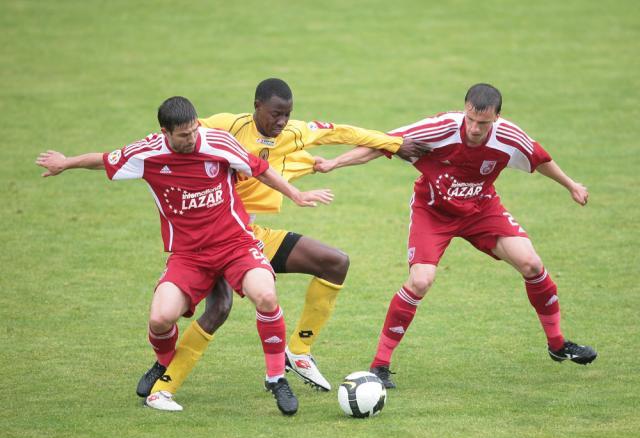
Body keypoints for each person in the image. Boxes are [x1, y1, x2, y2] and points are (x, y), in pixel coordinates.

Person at [136, 78, 430, 402]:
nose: (281, 122)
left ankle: (299, 350)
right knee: (218, 308)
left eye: (286, 115)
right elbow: (179, 133)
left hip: (251, 236)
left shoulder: (293, 136)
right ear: (256, 107)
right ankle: (164, 376)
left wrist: (393, 142)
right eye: (275, 114)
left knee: (335, 262)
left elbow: (342, 132)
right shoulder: (226, 127)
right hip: (211, 235)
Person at [36, 96, 334, 415]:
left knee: (265, 295)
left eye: (194, 130)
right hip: (189, 255)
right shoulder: (146, 153)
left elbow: (260, 169)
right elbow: (104, 159)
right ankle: (165, 364)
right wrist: (65, 163)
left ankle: (276, 378)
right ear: (165, 132)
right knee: (160, 318)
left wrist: (296, 194)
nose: (192, 138)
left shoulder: (217, 142)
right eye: (183, 135)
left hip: (234, 244)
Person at [314, 83, 597, 388]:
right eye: (471, 119)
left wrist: (571, 185)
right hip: (432, 212)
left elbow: (540, 158)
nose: (475, 128)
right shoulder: (439, 128)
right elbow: (381, 142)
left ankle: (557, 345)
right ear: (465, 110)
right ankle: (380, 365)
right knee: (421, 280)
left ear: (497, 117)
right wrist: (333, 163)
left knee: (531, 263)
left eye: (484, 123)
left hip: (481, 209)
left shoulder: (509, 136)